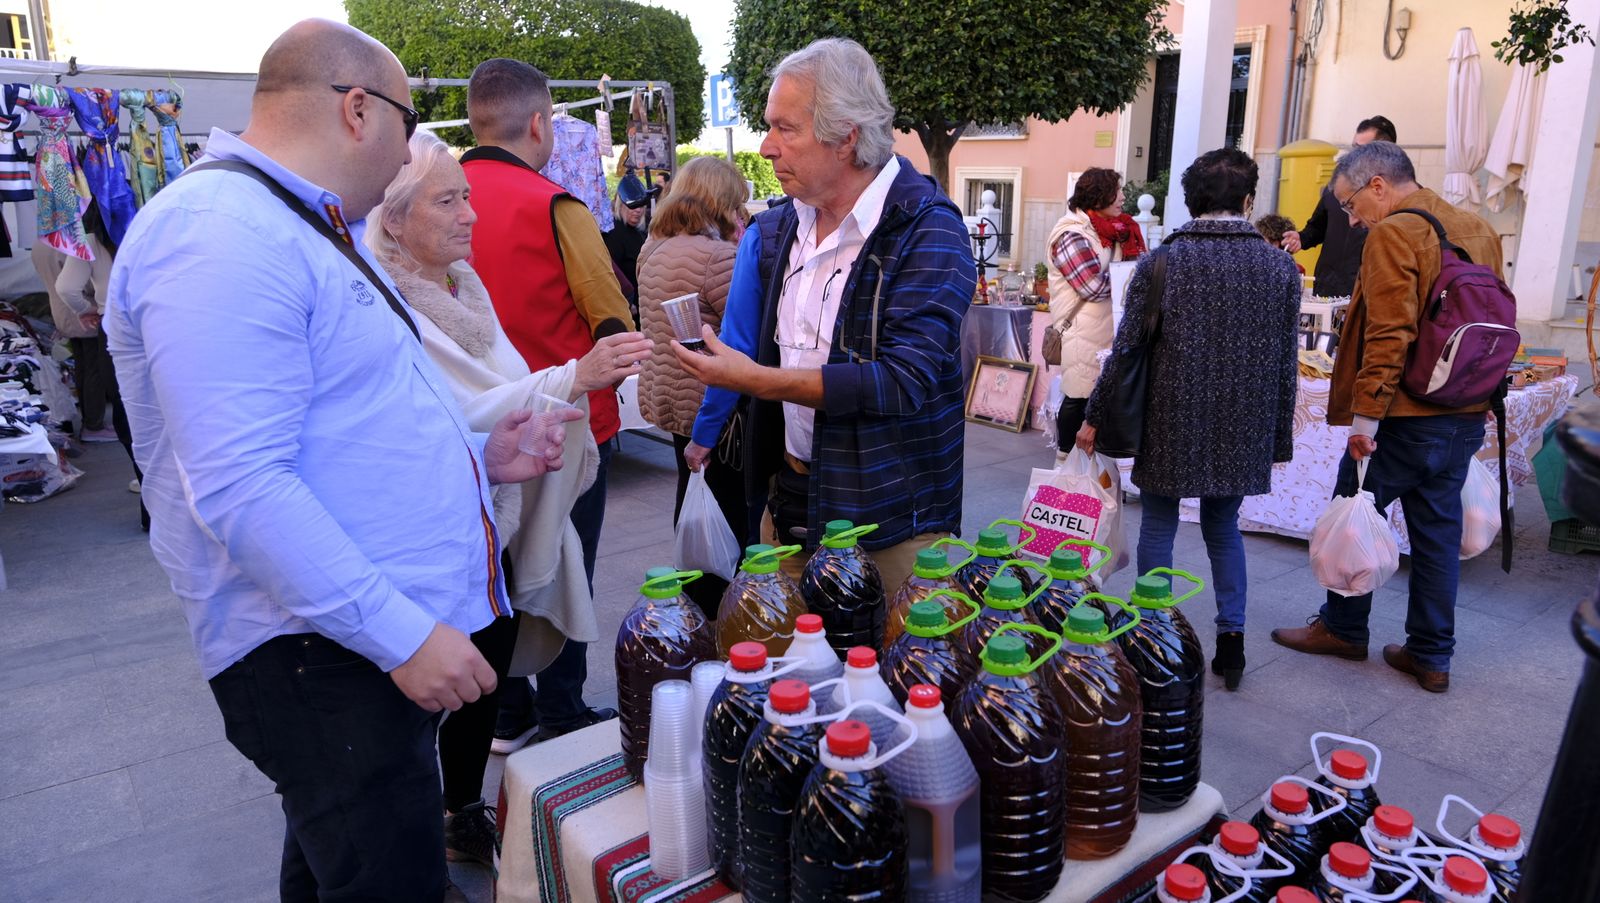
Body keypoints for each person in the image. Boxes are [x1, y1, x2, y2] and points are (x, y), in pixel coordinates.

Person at [103, 20, 581, 901]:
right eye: (408, 125)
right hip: (322, 656)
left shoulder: (295, 224)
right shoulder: (221, 233)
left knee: (336, 870)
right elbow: (243, 487)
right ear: (358, 110)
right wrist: (403, 637)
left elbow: (350, 422)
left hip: (345, 644)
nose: (413, 151)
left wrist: (482, 455)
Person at [366, 129, 651, 865]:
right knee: (429, 693)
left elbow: (497, 383)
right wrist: (572, 377)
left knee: (484, 674)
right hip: (429, 533)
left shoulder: (465, 283)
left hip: (491, 519)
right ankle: (414, 823)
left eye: (466, 196)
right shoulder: (384, 302)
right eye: (449, 201)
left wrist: (561, 385)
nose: (471, 216)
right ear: (395, 219)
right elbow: (456, 411)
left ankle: (460, 804)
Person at [675, 38, 976, 594]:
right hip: (788, 504)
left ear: (846, 136)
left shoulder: (928, 228)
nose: (765, 148)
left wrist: (757, 381)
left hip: (889, 523)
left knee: (897, 675)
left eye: (785, 128)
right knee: (781, 671)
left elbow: (902, 381)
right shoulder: (778, 229)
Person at [1271, 142, 1503, 694]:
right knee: (1437, 535)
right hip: (1464, 407)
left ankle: (1344, 629)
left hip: (1404, 414)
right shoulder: (1477, 227)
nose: (1351, 220)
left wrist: (1364, 423)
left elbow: (1388, 336)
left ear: (1379, 185)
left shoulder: (1395, 232)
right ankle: (1431, 655)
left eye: (1350, 206)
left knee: (1353, 511)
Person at [1077, 148, 1300, 691]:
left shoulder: (1162, 262)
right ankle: (1233, 645)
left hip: (1170, 414)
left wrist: (1094, 416)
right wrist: (1277, 434)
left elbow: (1125, 351)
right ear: (1248, 201)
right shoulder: (1279, 268)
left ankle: (1153, 633)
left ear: (1189, 200)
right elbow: (1285, 362)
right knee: (1225, 528)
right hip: (1243, 420)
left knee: (1159, 522)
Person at [462, 58, 632, 752]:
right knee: (564, 565)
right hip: (566, 425)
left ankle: (504, 713)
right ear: (539, 124)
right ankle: (562, 711)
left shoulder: (429, 196)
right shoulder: (554, 204)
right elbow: (610, 316)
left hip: (475, 429)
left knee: (492, 570)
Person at [635, 155, 750, 618]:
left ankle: (695, 603)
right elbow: (740, 339)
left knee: (694, 504)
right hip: (714, 411)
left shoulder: (652, 249)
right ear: (721, 201)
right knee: (727, 515)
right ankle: (727, 612)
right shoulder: (719, 256)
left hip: (671, 399)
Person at [1047, 167, 1143, 446]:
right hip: (1081, 332)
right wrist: (1131, 277)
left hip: (1106, 330)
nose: (1123, 197)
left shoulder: (1118, 230)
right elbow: (1092, 286)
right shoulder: (1071, 235)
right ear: (1097, 197)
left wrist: (1132, 274)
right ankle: (1067, 465)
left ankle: (1093, 473)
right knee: (1079, 398)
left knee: (1099, 401)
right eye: (1116, 192)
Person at [1282, 115, 1397, 297]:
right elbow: (1317, 227)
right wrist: (1301, 239)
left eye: (1362, 149)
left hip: (1364, 295)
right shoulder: (1339, 184)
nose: (1353, 155)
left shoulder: (1396, 195)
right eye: (1354, 147)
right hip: (1327, 288)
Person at [604, 184, 647, 315]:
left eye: (641, 205)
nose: (638, 210)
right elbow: (610, 272)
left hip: (643, 305)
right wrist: (626, 302)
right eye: (632, 205)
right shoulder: (613, 233)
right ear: (620, 204)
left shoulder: (640, 232)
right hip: (628, 308)